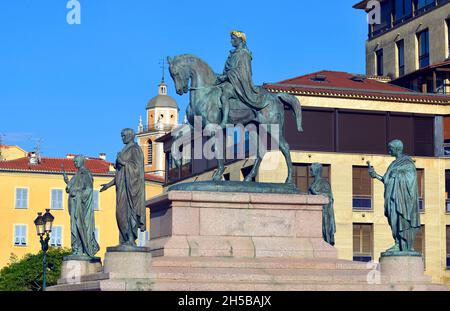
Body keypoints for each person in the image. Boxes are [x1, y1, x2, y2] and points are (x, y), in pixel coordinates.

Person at [368, 139, 421, 253]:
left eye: (390, 148)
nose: (389, 151)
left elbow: (410, 180)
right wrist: (376, 175)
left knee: (401, 220)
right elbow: (387, 180)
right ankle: (397, 242)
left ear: (397, 149)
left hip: (402, 200)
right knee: (393, 220)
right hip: (392, 197)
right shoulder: (393, 164)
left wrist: (397, 175)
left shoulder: (407, 162)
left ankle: (403, 244)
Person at [100, 128, 146, 246]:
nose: (122, 138)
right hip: (121, 188)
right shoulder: (124, 149)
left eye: (124, 135)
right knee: (120, 213)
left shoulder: (135, 149)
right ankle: (124, 239)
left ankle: (130, 238)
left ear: (131, 136)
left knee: (128, 212)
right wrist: (108, 185)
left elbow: (137, 169)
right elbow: (119, 174)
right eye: (121, 136)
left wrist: (123, 162)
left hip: (131, 189)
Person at [216, 30, 267, 127]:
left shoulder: (244, 54)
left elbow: (243, 72)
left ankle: (224, 121)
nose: (231, 41)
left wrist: (226, 76)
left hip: (238, 84)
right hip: (229, 81)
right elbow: (226, 71)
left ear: (240, 40)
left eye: (233, 39)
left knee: (224, 95)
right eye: (231, 39)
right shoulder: (232, 54)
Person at [62, 155, 99, 258]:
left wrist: (78, 195)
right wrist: (68, 183)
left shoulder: (85, 173)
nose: (75, 163)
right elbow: (70, 188)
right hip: (74, 205)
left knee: (79, 226)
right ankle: (76, 249)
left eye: (76, 161)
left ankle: (81, 249)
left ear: (82, 161)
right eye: (74, 162)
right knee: (74, 227)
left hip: (80, 206)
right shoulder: (77, 174)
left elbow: (89, 189)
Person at [308, 163, 336, 246]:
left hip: (324, 214)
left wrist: (314, 192)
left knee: (322, 231)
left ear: (317, 171)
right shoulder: (313, 183)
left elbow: (328, 197)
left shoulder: (324, 183)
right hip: (313, 213)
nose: (310, 172)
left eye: (311, 170)